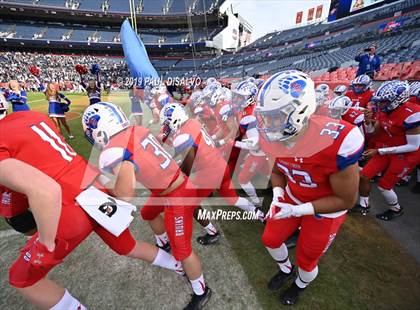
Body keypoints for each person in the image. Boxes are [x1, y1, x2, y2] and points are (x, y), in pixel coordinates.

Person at [0, 106, 183, 310]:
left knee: (23, 280)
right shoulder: (29, 115)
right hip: (93, 186)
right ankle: (178, 265)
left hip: (67, 206)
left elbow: (46, 191)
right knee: (128, 247)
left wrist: (45, 243)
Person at [82, 102, 212, 309]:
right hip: (172, 186)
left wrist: (100, 182)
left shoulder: (113, 150)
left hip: (175, 195)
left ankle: (202, 291)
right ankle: (164, 243)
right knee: (148, 213)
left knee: (183, 251)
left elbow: (124, 195)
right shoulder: (138, 129)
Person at [255, 70, 364, 305]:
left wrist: (298, 210)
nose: (267, 124)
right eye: (265, 116)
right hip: (292, 196)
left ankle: (300, 283)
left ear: (300, 111)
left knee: (307, 260)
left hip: (326, 210)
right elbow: (276, 170)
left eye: (275, 116)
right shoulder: (272, 137)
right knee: (270, 239)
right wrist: (277, 194)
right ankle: (286, 270)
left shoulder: (337, 140)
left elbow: (346, 200)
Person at [354, 80, 420, 219]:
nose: (379, 104)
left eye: (383, 101)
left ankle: (396, 209)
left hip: (406, 154)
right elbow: (373, 132)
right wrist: (367, 122)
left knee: (384, 186)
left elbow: (413, 146)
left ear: (398, 100)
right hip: (386, 148)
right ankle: (364, 205)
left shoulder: (412, 114)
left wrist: (379, 151)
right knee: (364, 176)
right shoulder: (384, 109)